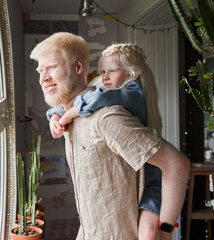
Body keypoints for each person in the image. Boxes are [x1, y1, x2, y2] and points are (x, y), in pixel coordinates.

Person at [30, 32, 190, 240]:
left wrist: (166, 229)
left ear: (78, 67)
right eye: (40, 70)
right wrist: (56, 116)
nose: (43, 78)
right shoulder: (73, 119)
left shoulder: (107, 118)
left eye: (51, 67)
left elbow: (176, 164)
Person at [46, 43, 163, 240]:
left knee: (147, 234)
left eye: (112, 71)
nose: (105, 76)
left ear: (132, 73)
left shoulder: (133, 92)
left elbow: (98, 98)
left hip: (150, 182)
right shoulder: (107, 85)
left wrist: (69, 114)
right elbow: (75, 99)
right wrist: (56, 116)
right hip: (132, 180)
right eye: (102, 71)